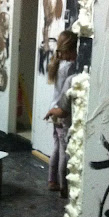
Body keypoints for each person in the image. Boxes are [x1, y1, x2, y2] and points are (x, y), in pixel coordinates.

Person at [44, 30, 78, 196]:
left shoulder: (59, 64)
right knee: (64, 150)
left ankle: (52, 181)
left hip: (54, 109)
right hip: (61, 111)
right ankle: (64, 187)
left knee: (57, 147)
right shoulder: (70, 67)